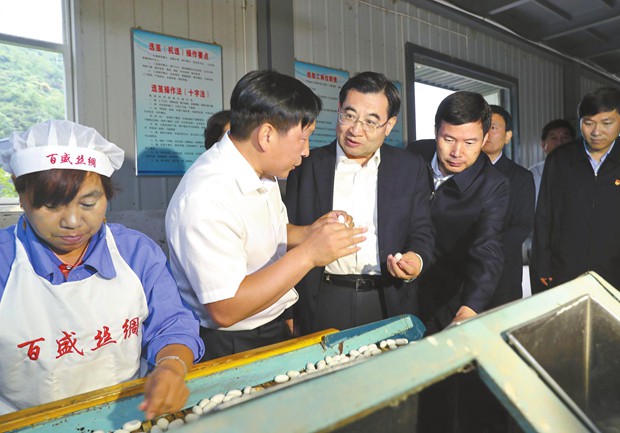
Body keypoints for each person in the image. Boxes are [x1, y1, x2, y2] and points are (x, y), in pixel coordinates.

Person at [0, 120, 204, 419]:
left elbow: (172, 325)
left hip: (128, 416)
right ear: (21, 195)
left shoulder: (135, 253)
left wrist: (172, 366)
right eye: (52, 206)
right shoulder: (5, 261)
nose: (72, 222)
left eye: (88, 203)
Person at [166, 70, 365, 360]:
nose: (306, 151)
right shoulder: (205, 197)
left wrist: (311, 232)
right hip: (232, 342)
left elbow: (269, 232)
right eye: (303, 139)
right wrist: (310, 253)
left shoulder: (261, 172)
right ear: (267, 135)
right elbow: (225, 308)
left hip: (270, 324)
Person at [284, 71, 434, 335]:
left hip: (388, 299)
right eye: (349, 116)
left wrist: (416, 260)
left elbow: (422, 230)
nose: (355, 130)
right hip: (322, 299)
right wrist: (288, 311)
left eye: (370, 122)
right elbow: (285, 238)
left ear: (389, 125)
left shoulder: (410, 168)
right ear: (339, 109)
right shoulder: (306, 165)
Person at [531, 87, 620, 303]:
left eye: (606, 123)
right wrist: (542, 264)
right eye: (588, 123)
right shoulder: (560, 160)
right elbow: (544, 216)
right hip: (565, 271)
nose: (596, 132)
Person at [407, 91, 509, 334]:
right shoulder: (413, 155)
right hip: (396, 286)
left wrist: (470, 308)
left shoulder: (493, 184)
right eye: (449, 139)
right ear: (436, 131)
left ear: (485, 139)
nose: (457, 152)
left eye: (470, 143)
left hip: (444, 299)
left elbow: (488, 248)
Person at [484, 105, 535, 307]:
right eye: (482, 126)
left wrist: (485, 254)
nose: (487, 133)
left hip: (501, 274)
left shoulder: (521, 177)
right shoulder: (459, 171)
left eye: (493, 127)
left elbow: (522, 225)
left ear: (507, 136)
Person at [528, 119, 575, 203]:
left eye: (564, 138)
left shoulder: (583, 171)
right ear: (543, 145)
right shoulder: (532, 175)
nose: (559, 143)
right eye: (554, 138)